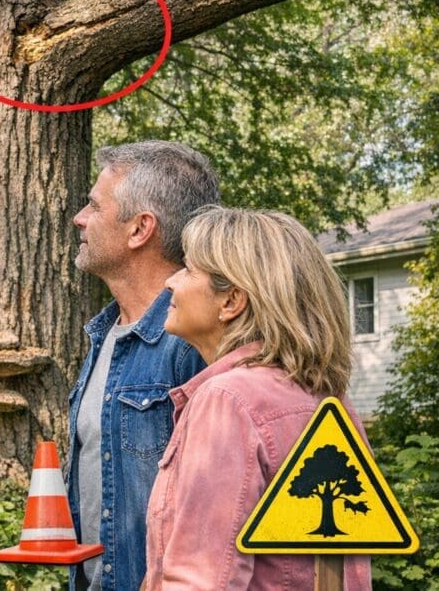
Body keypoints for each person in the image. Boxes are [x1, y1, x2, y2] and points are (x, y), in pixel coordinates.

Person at [144, 206, 372, 589]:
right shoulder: (329, 400)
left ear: (231, 301)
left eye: (187, 270)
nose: (171, 282)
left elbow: (202, 579)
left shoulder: (227, 400)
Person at [67, 141, 220, 591]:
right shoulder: (103, 335)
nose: (80, 217)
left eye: (94, 205)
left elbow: (218, 507)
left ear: (140, 229)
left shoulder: (193, 341)